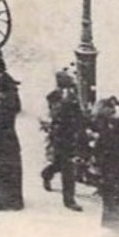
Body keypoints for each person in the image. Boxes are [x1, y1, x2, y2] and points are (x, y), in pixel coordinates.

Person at [40, 71, 86, 211]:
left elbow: (79, 115)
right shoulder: (55, 97)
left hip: (70, 135)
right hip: (61, 136)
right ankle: (69, 200)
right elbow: (56, 114)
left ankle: (46, 174)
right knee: (68, 167)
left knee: (59, 163)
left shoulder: (72, 96)